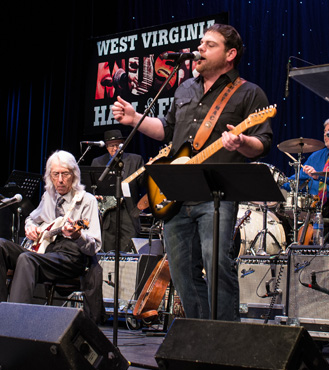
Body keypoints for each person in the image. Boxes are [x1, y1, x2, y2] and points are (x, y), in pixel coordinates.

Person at [111, 24, 273, 321]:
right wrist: (135, 119)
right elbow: (167, 132)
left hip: (216, 195)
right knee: (182, 269)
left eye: (210, 44)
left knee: (215, 264)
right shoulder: (185, 87)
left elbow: (262, 144)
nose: (200, 48)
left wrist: (241, 141)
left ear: (230, 54)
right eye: (201, 43)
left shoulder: (249, 93)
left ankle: (224, 339)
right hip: (178, 191)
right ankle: (197, 334)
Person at [0, 150, 102, 312]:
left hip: (70, 257)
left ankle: (14, 318)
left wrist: (78, 236)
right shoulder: (48, 196)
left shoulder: (86, 200)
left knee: (27, 258)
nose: (60, 180)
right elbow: (32, 219)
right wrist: (30, 227)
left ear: (74, 175)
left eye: (65, 174)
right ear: (49, 176)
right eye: (55, 174)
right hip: (46, 252)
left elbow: (94, 247)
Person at [90, 129, 144, 252]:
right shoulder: (98, 162)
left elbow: (143, 183)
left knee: (128, 250)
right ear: (106, 146)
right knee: (107, 250)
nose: (114, 148)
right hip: (107, 215)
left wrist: (149, 172)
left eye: (118, 145)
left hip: (128, 213)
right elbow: (93, 187)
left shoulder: (135, 160)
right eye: (111, 145)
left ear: (123, 144)